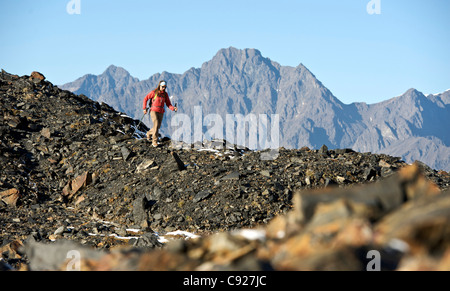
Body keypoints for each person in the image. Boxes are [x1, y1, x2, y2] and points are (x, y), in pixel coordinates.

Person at [142, 80, 177, 147]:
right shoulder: (154, 92)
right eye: (163, 87)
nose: (164, 88)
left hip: (161, 111)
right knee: (156, 124)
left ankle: (149, 133)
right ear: (159, 86)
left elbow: (168, 104)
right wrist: (144, 108)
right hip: (153, 110)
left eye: (165, 87)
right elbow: (145, 98)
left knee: (157, 126)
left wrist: (173, 108)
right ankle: (154, 141)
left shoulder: (165, 94)